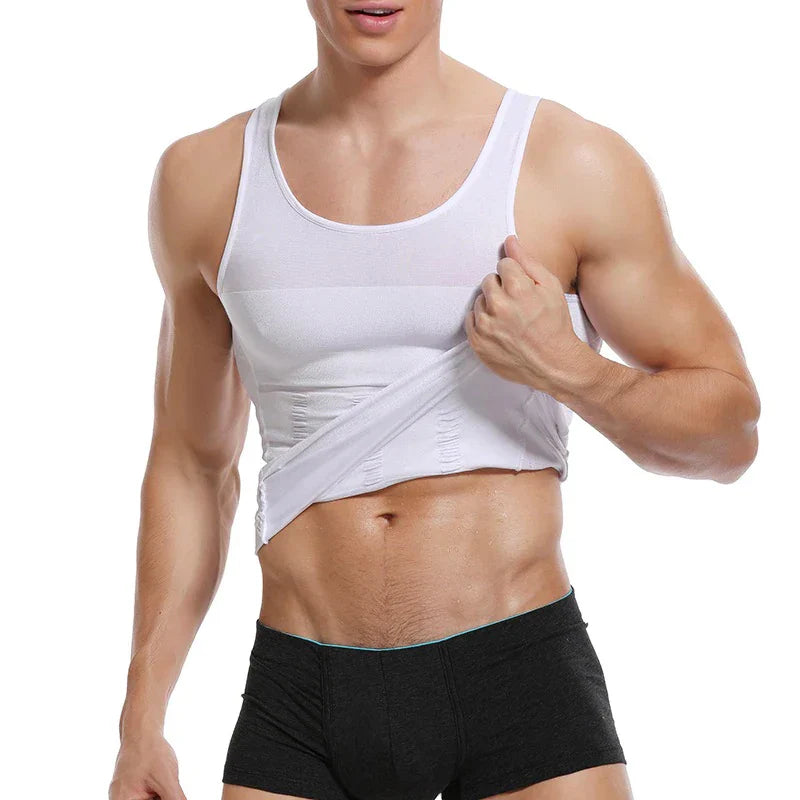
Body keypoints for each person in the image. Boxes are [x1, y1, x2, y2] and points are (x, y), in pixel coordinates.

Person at [109, 2, 761, 799]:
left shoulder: (566, 162)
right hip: (300, 690)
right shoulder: (206, 178)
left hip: (519, 680)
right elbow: (191, 464)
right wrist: (141, 722)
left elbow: (731, 432)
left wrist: (570, 368)